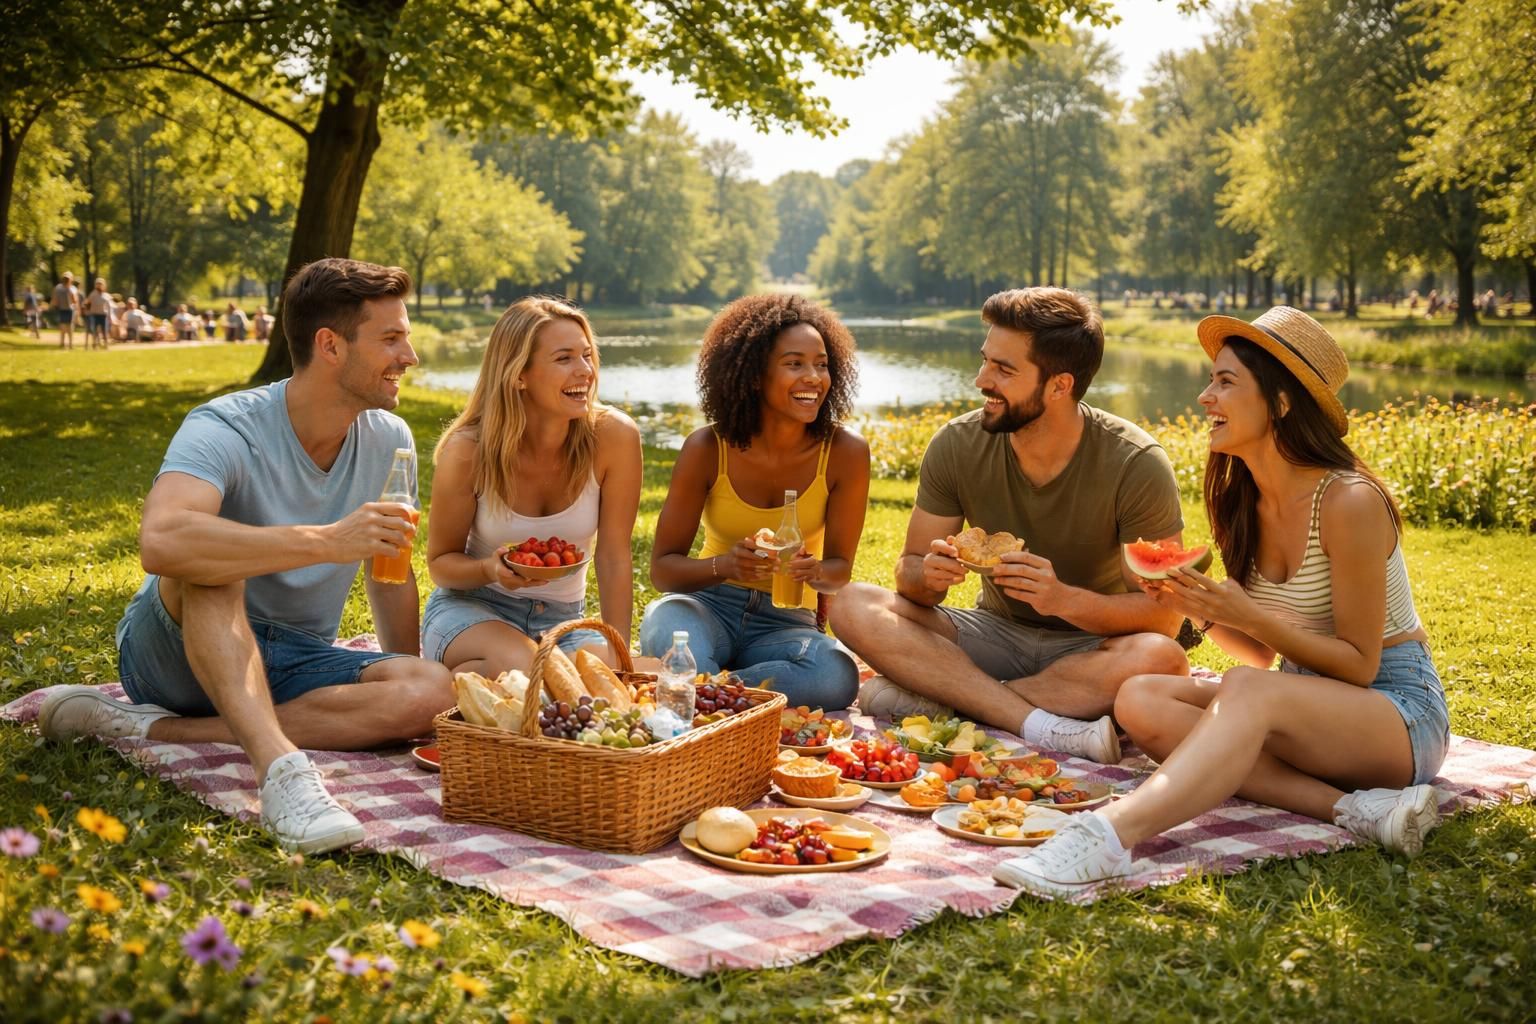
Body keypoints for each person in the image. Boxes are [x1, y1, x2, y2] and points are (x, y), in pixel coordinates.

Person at [993, 307, 1448, 894]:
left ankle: (1108, 836)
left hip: (1397, 713)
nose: (1206, 396)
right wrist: (1196, 605)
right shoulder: (1243, 501)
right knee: (1142, 698)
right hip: (1309, 707)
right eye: (1211, 379)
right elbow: (1257, 653)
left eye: (1226, 381)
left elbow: (1359, 664)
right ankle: (1360, 810)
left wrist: (1246, 613)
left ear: (1282, 402)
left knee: (1245, 691)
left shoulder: (1349, 502)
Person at [38, 258, 453, 855]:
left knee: (434, 692)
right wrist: (328, 540)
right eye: (391, 338)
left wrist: (400, 676)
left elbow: (390, 570)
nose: (409, 356)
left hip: (290, 657)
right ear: (330, 345)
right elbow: (163, 540)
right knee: (212, 559)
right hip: (174, 650)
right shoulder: (226, 426)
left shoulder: (390, 437)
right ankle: (281, 770)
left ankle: (152, 729)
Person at [829, 288, 1188, 763]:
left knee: (1161, 658)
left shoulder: (1136, 463)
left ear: (1059, 385)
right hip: (991, 632)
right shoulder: (956, 444)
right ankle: (1041, 723)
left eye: (1004, 369)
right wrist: (927, 577)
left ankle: (947, 703)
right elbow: (910, 572)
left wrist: (1063, 599)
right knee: (853, 603)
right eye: (985, 362)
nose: (981, 380)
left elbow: (1164, 616)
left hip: (1092, 647)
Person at [640, 294, 869, 709]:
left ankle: (703, 691)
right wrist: (726, 565)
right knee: (663, 621)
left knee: (835, 675)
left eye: (821, 364)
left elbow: (839, 571)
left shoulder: (845, 452)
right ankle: (733, 695)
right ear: (753, 376)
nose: (814, 377)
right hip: (707, 606)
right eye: (794, 363)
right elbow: (663, 571)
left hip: (786, 622)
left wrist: (813, 570)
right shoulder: (708, 448)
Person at [424, 297, 642, 677]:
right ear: (518, 374)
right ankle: (468, 679)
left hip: (560, 623)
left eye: (587, 356)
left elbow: (613, 557)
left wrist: (618, 655)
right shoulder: (468, 451)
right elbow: (441, 565)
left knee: (611, 686)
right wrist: (490, 570)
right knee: (533, 671)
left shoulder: (614, 437)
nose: (585, 371)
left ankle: (467, 683)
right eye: (564, 359)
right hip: (474, 610)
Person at [51, 272, 80, 349]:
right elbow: (55, 298)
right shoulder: (58, 287)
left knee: (70, 327)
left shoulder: (73, 288)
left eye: (68, 278)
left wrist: (77, 311)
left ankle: (70, 344)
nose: (66, 280)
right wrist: (54, 305)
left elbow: (75, 301)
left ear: (71, 279)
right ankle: (62, 343)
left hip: (70, 310)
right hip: (61, 309)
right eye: (65, 278)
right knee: (62, 327)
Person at [84, 278, 115, 349]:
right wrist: (87, 312)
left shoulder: (106, 296)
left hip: (103, 315)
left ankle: (105, 345)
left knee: (104, 330)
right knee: (94, 330)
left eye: (100, 284)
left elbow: (109, 307)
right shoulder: (92, 294)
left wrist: (110, 316)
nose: (99, 286)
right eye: (97, 284)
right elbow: (87, 303)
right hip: (94, 314)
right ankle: (94, 344)